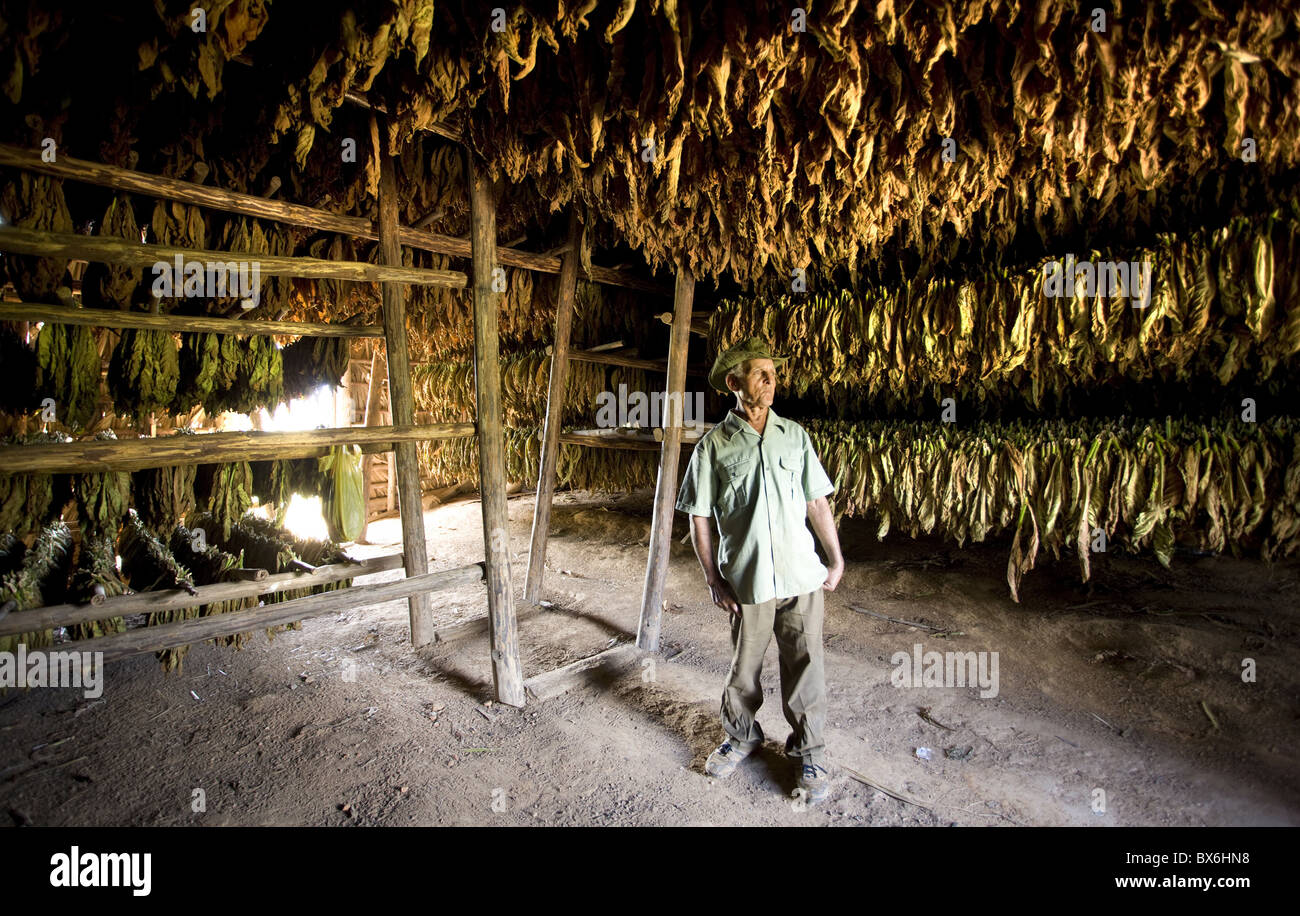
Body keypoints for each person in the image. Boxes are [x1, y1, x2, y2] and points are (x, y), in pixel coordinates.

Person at [675, 336, 845, 803]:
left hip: (800, 575)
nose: (771, 381)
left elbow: (816, 501)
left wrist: (835, 557)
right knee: (744, 670)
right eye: (760, 374)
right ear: (734, 383)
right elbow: (699, 517)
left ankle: (808, 750)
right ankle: (741, 736)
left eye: (773, 373)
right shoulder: (713, 447)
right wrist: (712, 579)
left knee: (806, 665)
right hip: (747, 578)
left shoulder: (794, 436)